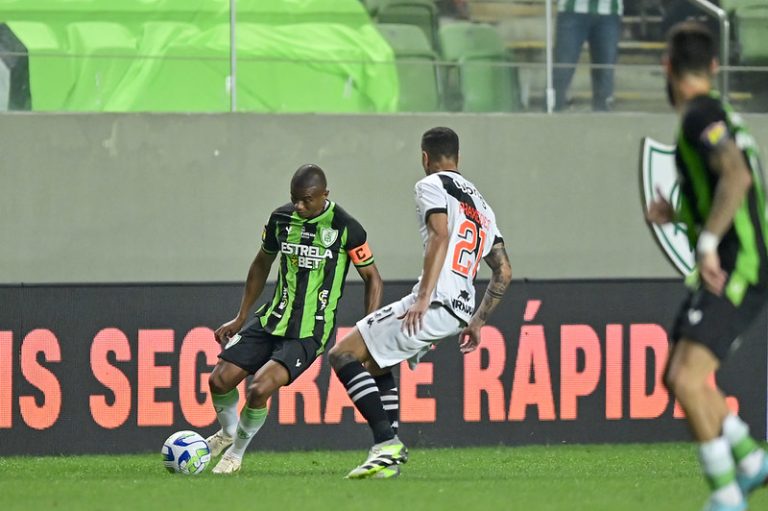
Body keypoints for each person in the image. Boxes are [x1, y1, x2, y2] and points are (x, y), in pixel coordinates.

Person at [328, 127, 512, 479]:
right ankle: (389, 460)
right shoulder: (482, 207)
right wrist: (477, 321)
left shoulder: (430, 185)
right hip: (458, 310)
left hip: (434, 302)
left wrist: (424, 297)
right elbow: (503, 271)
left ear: (425, 157)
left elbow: (440, 233)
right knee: (377, 363)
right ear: (458, 157)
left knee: (342, 354)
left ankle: (386, 443)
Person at [646, 22, 768, 511]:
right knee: (678, 375)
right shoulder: (715, 113)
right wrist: (677, 216)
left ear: (668, 68)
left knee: (687, 379)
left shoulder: (699, 115)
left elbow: (735, 176)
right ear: (714, 67)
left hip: (739, 264)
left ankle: (726, 495)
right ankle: (748, 459)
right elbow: (728, 186)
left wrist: (708, 245)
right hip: (736, 259)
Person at [206, 163, 383, 474]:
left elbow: (373, 278)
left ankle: (235, 454)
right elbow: (261, 263)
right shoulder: (281, 219)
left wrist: (367, 334)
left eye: (307, 200)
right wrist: (241, 315)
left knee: (259, 388)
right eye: (295, 199)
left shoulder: (346, 227)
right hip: (273, 318)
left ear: (325, 195)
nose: (299, 206)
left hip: (309, 331)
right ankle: (229, 431)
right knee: (219, 379)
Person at [553, 0, 623, 111]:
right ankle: (552, 113)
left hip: (609, 12)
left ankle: (603, 116)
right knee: (563, 69)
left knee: (605, 71)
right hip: (571, 9)